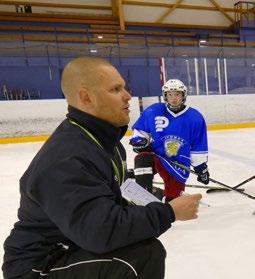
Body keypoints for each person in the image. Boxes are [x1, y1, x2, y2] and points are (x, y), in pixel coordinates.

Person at [2, 57, 202, 279]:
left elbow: (116, 199)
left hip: (71, 245)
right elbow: (100, 232)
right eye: (116, 89)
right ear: (86, 97)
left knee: (141, 245)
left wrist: (151, 202)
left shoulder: (107, 143)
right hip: (39, 266)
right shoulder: (67, 158)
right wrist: (169, 212)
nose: (127, 96)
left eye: (124, 87)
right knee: (141, 257)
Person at [130, 78, 209, 202]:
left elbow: (198, 145)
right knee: (142, 158)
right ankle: (143, 198)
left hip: (178, 163)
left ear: (183, 96)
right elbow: (141, 130)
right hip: (157, 156)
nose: (173, 98)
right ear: (165, 96)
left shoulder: (195, 117)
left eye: (177, 94)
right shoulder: (154, 111)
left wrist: (201, 168)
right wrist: (139, 140)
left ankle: (161, 194)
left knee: (173, 200)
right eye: (170, 94)